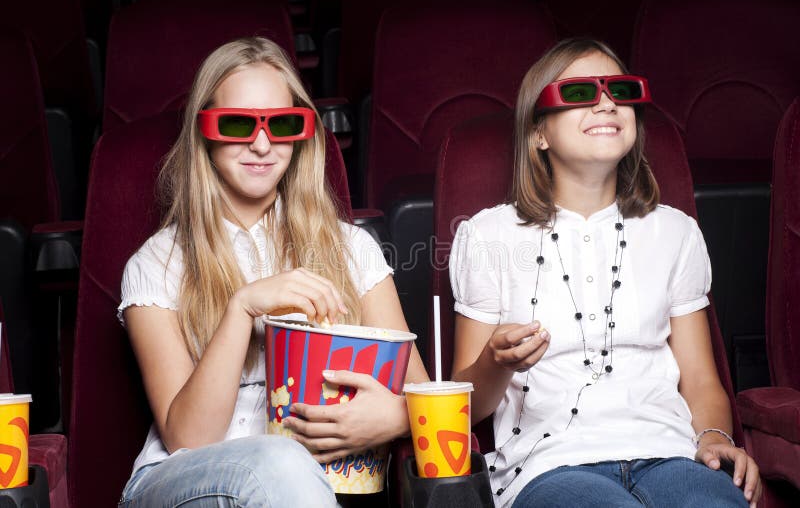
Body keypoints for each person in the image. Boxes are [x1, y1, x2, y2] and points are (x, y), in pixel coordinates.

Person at [449, 38, 761, 508]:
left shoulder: (675, 231)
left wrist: (715, 437)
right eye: (578, 93)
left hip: (670, 453)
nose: (606, 103)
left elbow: (699, 377)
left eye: (620, 91)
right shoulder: (487, 235)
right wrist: (497, 363)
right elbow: (465, 407)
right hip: (550, 465)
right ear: (540, 134)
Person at [117, 37, 428, 507]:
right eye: (239, 123)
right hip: (180, 484)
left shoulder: (352, 248)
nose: (262, 144)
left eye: (282, 124)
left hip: (314, 488)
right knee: (281, 460)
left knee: (288, 467)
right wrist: (242, 308)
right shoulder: (156, 263)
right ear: (204, 131)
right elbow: (189, 437)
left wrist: (394, 419)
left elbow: (427, 399)